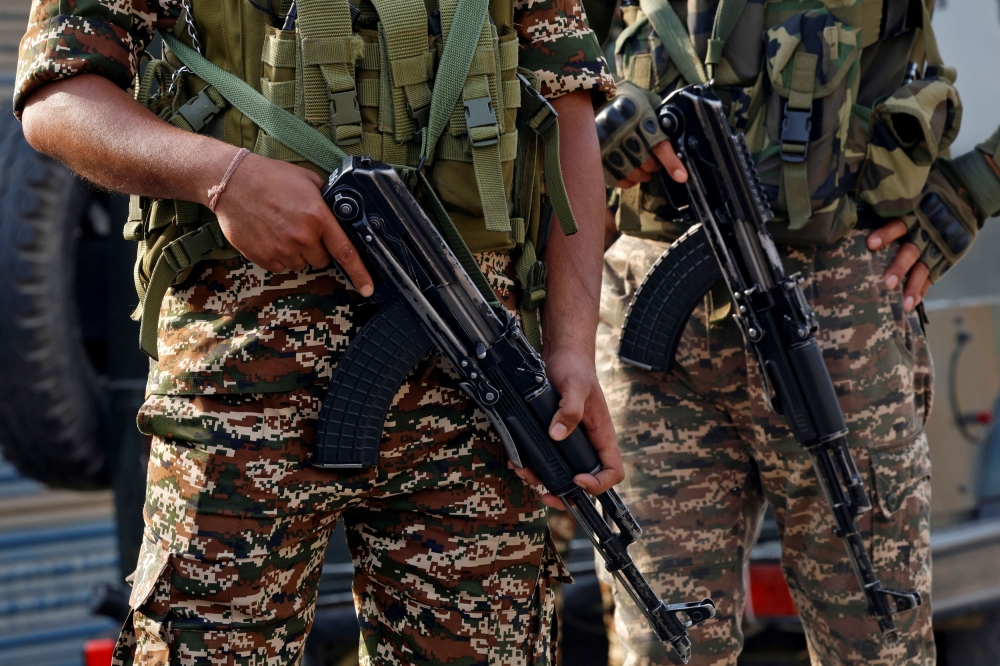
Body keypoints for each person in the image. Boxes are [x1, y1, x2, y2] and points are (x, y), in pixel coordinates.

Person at [14, 0, 621, 663]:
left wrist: (571, 347)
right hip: (238, 393)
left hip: (475, 390)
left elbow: (567, 112)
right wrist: (222, 178)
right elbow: (57, 97)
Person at [594, 0, 1000, 664]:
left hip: (837, 311)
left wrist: (980, 182)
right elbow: (540, 37)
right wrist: (601, 107)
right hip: (654, 314)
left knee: (875, 643)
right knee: (662, 649)